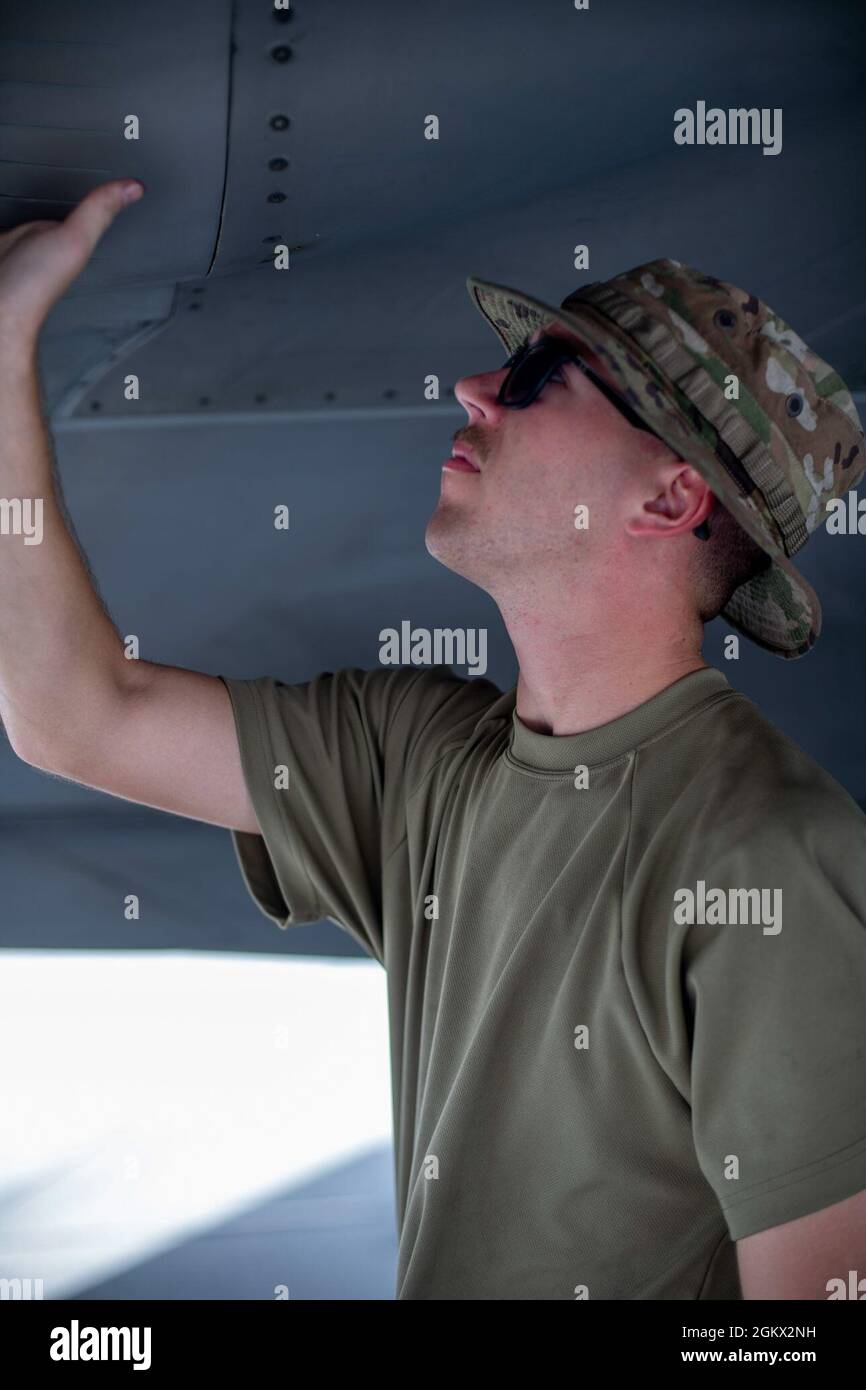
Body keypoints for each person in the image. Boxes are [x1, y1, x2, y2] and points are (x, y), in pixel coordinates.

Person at [2, 181, 866, 1301]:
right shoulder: (421, 758)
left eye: (537, 378)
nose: (471, 387)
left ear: (667, 498)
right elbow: (74, 714)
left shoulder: (764, 859)